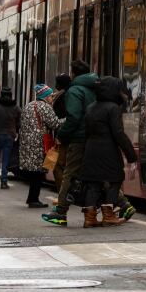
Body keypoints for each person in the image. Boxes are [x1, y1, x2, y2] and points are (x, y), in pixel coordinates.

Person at [42, 61, 98, 226]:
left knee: (69, 174)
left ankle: (60, 212)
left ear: (74, 73)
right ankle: (120, 204)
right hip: (93, 137)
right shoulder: (95, 87)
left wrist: (62, 135)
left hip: (78, 138)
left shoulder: (74, 91)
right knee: (97, 173)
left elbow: (73, 117)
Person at [76, 77, 138, 227]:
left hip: (91, 149)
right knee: (114, 180)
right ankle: (108, 215)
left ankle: (89, 218)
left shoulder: (91, 107)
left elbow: (85, 133)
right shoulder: (112, 108)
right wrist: (131, 155)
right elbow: (118, 133)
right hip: (108, 150)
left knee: (92, 184)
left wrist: (83, 153)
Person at [19, 84, 61, 208]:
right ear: (46, 96)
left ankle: (31, 198)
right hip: (39, 144)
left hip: (27, 143)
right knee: (38, 173)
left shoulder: (28, 105)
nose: (52, 98)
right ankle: (33, 199)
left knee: (34, 172)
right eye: (51, 96)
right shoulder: (45, 107)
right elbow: (55, 124)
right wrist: (67, 120)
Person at [50, 73, 71, 194]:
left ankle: (63, 195)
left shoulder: (64, 96)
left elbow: (65, 117)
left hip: (63, 136)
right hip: (64, 135)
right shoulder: (64, 95)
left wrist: (59, 135)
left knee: (58, 165)